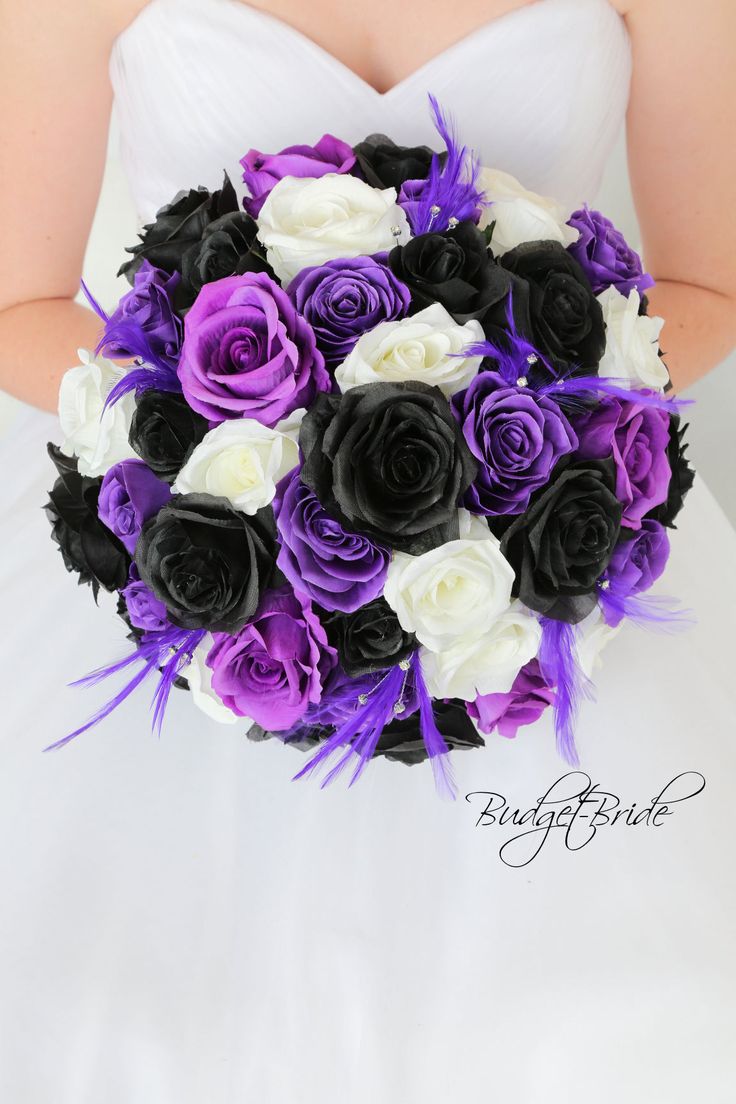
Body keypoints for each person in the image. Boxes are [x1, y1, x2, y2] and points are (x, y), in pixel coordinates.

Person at [0, 1, 734, 1099]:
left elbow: (709, 285)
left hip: (543, 569)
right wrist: (211, 430)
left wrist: (520, 440)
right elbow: (20, 301)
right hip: (201, 560)